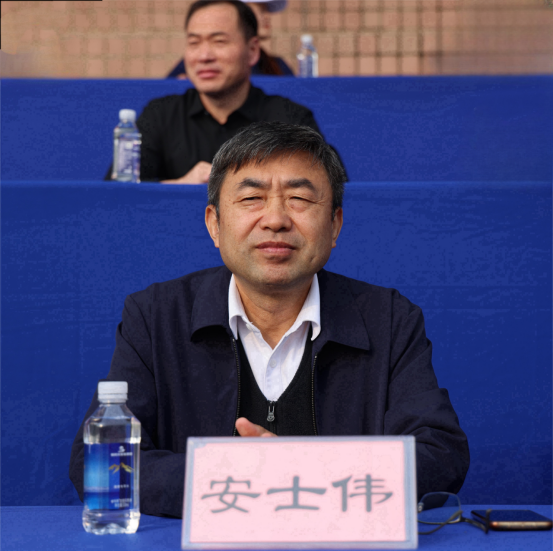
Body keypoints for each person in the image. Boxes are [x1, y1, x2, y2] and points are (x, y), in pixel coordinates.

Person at [72, 122, 470, 519]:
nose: (275, 219)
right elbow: (100, 460)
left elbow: (439, 454)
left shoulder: (389, 319)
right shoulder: (156, 316)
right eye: (251, 198)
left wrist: (297, 472)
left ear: (334, 225)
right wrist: (242, 479)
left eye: (299, 198)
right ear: (214, 224)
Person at [107, 0, 328, 184]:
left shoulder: (290, 119)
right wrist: (179, 187)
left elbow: (331, 190)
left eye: (219, 41)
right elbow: (115, 194)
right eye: (194, 43)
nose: (204, 56)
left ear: (252, 51)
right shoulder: (161, 115)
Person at [167, 0, 293, 78]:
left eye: (266, 10)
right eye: (260, 10)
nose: (267, 17)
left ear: (253, 50)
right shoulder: (198, 63)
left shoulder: (276, 65)